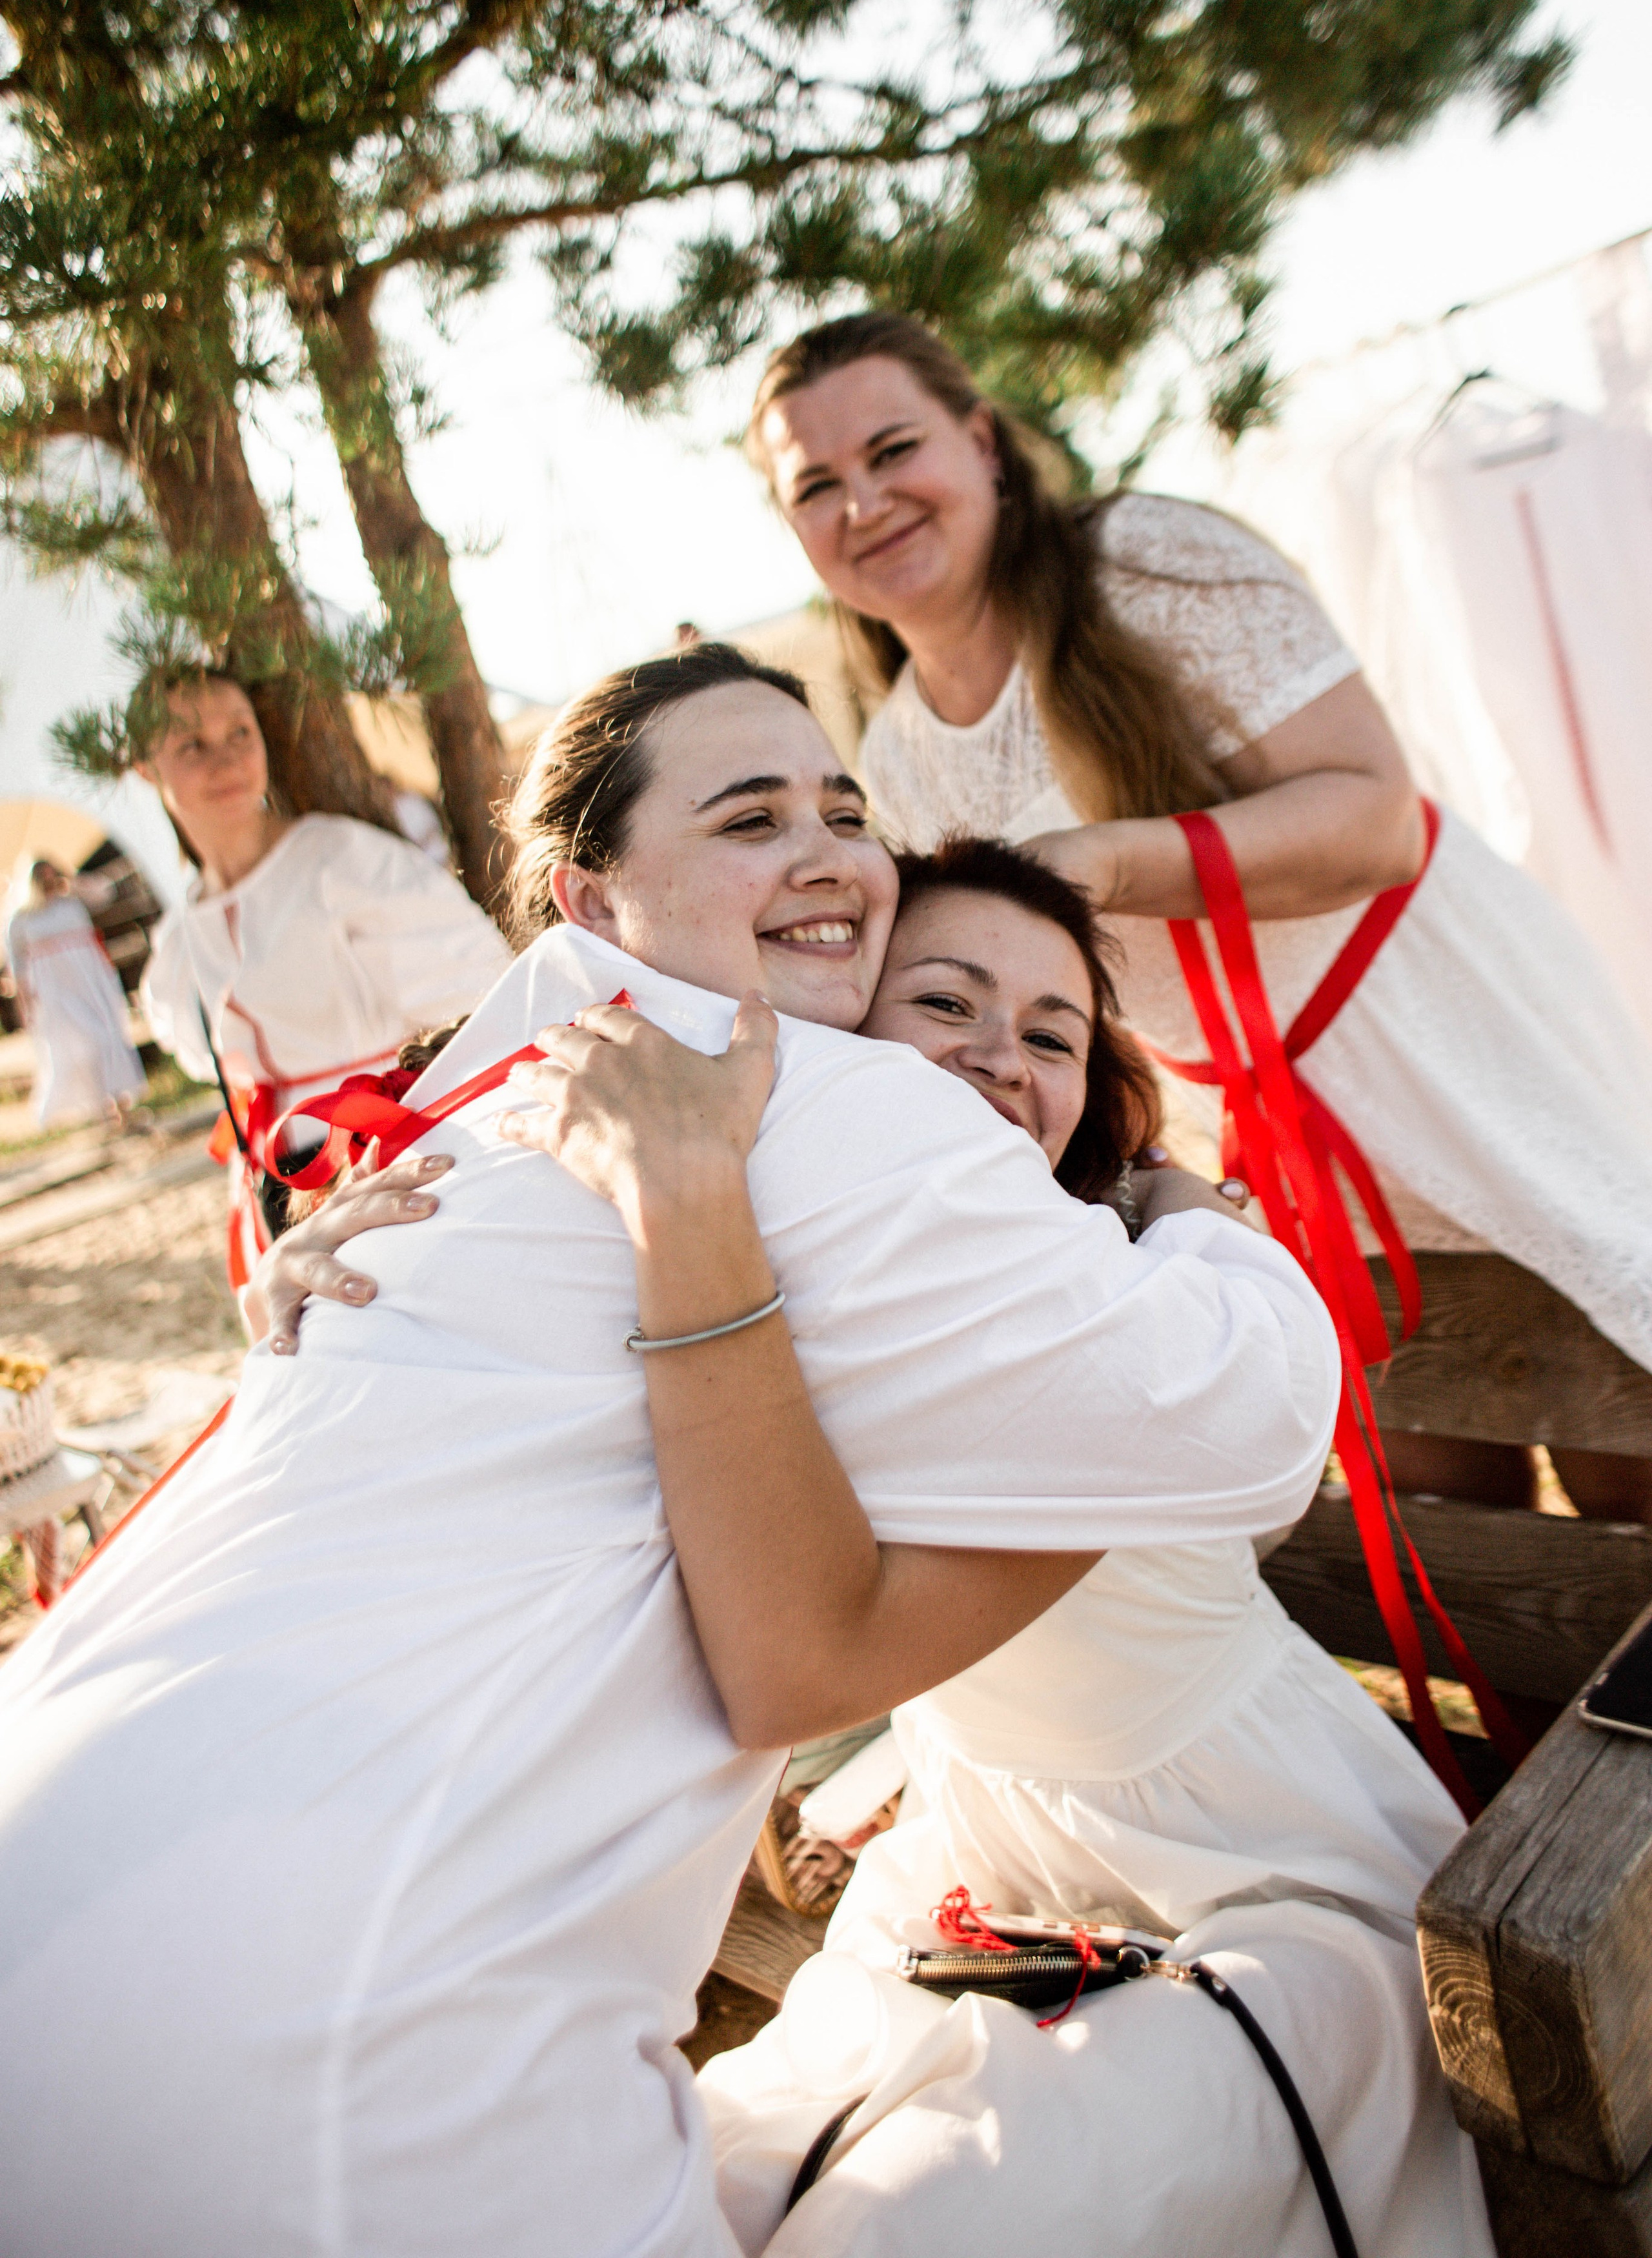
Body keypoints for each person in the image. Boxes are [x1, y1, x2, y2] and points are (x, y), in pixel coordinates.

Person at [0, 645, 1336, 2258]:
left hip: (60, 1849)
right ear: (585, 894)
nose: (828, 849)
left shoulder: (493, 1116)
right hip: (363, 2012)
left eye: (843, 809)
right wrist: (1205, 1220)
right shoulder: (834, 1106)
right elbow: (1253, 1412)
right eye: (749, 817)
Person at [278, 836, 1487, 2255]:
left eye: (1053, 1035)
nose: (1000, 1056)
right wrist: (344, 1284)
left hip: (1266, 1887)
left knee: (912, 2230)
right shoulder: (775, 1246)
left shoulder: (1100, 1299)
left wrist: (1171, 1198)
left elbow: (815, 1647)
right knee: (715, 2191)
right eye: (944, 1002)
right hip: (979, 1864)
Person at [747, 310, 1652, 1523]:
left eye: (894, 450)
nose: (865, 501)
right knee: (1440, 1488)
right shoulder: (899, 751)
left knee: (1620, 1442)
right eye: (818, 486)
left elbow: (1376, 817)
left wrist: (1105, 861)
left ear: (981, 442)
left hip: (1434, 1033)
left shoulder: (1147, 559)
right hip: (1251, 1122)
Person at [137, 670, 512, 1290]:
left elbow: (479, 991)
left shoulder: (340, 862)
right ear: (147, 770)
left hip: (382, 1153)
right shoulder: (179, 933)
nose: (225, 758)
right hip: (274, 1182)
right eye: (191, 746)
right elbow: (198, 1050)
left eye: (239, 732)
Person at [3, 856, 145, 1130]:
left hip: (91, 984)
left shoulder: (71, 903)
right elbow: (17, 966)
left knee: (109, 1040)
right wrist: (25, 1004)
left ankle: (121, 1107)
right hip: (55, 994)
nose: (49, 883)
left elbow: (104, 893)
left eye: (52, 875)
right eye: (42, 879)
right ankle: (102, 1109)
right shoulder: (20, 919)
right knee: (83, 1048)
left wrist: (73, 880)